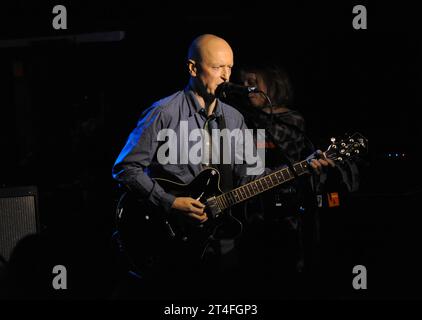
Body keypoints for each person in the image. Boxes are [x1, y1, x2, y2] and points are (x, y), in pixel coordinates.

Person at [111, 34, 333, 299]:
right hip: (163, 232)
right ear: (193, 68)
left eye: (229, 68)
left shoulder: (234, 118)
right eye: (217, 68)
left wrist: (301, 169)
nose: (226, 76)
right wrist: (169, 202)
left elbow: (251, 178)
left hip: (217, 239)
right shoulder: (164, 112)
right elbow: (125, 168)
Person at [230, 62, 360, 297]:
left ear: (272, 85)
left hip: (283, 212)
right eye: (244, 82)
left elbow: (294, 161)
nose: (246, 87)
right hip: (245, 211)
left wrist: (311, 167)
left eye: (253, 82)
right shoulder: (241, 118)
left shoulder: (291, 120)